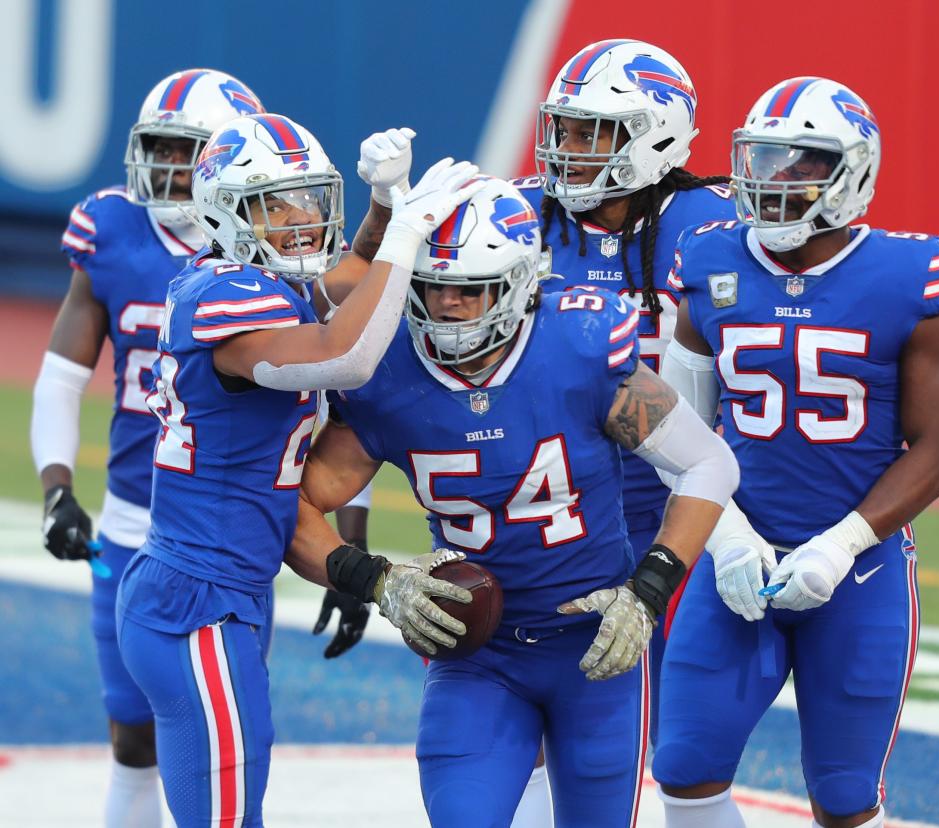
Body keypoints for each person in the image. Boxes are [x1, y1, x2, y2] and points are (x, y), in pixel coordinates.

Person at [286, 175, 738, 827]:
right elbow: (295, 506)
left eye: (469, 289)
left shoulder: (579, 345)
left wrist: (649, 590)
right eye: (430, 284)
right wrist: (376, 580)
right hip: (478, 654)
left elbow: (708, 463)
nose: (445, 305)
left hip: (593, 650)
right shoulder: (385, 371)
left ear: (521, 281)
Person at [114, 111, 483, 825]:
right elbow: (345, 350)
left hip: (223, 592)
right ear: (227, 213)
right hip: (197, 601)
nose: (303, 219)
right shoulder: (223, 295)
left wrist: (382, 206)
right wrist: (405, 238)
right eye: (278, 205)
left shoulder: (252, 285)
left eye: (311, 199)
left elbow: (339, 282)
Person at [652, 76, 939, 828]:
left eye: (799, 164)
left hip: (858, 569)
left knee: (845, 794)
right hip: (738, 558)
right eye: (761, 160)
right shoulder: (708, 258)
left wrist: (840, 545)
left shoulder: (906, 276)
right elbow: (673, 432)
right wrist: (725, 537)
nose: (772, 181)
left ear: (852, 172)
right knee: (685, 766)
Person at [30, 68, 264, 828]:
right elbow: (63, 378)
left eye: (181, 151)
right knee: (133, 738)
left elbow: (337, 398)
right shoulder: (114, 231)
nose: (164, 169)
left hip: (229, 539)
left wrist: (346, 527)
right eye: (156, 149)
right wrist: (57, 488)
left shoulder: (265, 243)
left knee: (225, 740)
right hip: (133, 526)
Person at [512, 36, 736, 821]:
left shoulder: (714, 227)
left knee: (683, 751)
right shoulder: (518, 217)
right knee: (554, 733)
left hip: (680, 517)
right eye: (562, 129)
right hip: (555, 518)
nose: (565, 150)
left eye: (590, 133)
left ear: (657, 137)